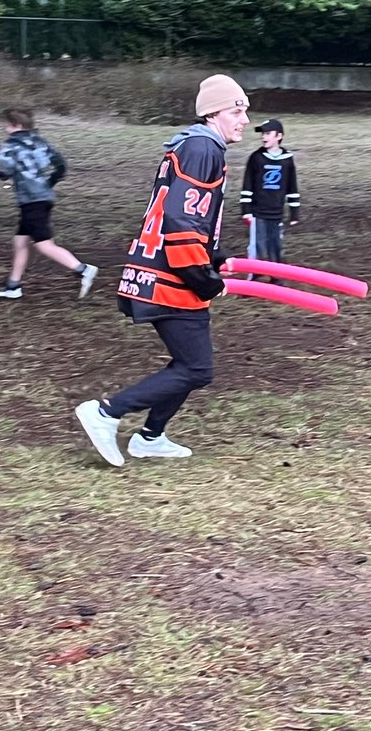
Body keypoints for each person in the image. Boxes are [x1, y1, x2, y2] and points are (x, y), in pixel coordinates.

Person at [74, 74, 250, 468]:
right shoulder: (204, 149)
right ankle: (106, 413)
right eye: (236, 110)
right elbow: (181, 221)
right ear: (213, 113)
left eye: (244, 111)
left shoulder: (193, 146)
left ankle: (150, 437)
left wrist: (215, 257)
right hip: (171, 277)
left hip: (160, 270)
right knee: (197, 368)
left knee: (189, 364)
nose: (244, 120)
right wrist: (204, 279)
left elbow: (192, 217)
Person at [0, 108, 98, 301]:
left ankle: (83, 270)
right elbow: (61, 164)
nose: (5, 128)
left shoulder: (10, 145)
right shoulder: (40, 142)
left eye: (8, 124)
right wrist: (50, 181)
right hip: (44, 197)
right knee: (20, 242)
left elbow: (6, 169)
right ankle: (13, 286)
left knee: (44, 245)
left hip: (30, 200)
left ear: (17, 125)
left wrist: (3, 175)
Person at [240, 117, 301, 267]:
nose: (264, 137)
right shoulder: (256, 158)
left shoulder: (287, 160)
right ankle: (255, 277)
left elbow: (292, 187)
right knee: (258, 246)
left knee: (276, 246)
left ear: (279, 136)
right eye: (262, 134)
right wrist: (246, 211)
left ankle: (277, 278)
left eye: (268, 133)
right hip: (258, 213)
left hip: (277, 212)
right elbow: (247, 185)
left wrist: (295, 212)